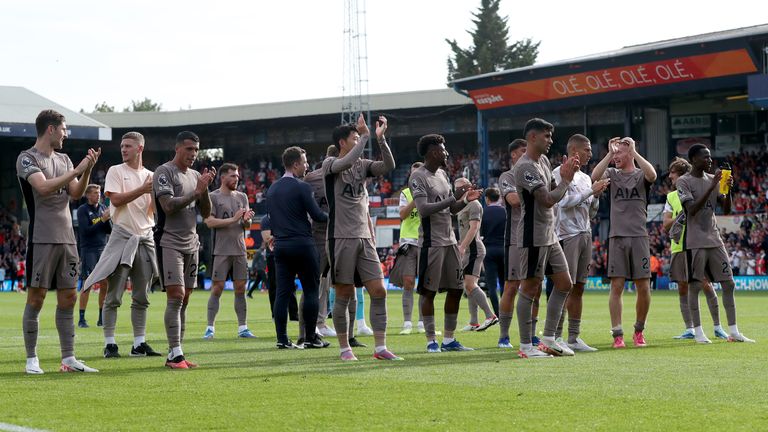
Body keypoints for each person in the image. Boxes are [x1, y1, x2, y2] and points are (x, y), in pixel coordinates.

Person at [17, 109, 101, 374]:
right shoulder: (27, 158)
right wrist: (77, 168)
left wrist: (86, 171)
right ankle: (32, 359)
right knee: (37, 297)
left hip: (68, 239)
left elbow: (75, 192)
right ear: (51, 129)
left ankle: (68, 358)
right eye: (64, 129)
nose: (66, 134)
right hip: (41, 238)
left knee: (69, 297)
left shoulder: (63, 159)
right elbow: (42, 188)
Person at [324, 114, 402, 361]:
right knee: (344, 293)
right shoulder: (329, 164)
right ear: (342, 142)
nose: (359, 140)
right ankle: (345, 348)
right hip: (340, 236)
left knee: (379, 290)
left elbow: (388, 165)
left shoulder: (363, 164)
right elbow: (347, 160)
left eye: (360, 137)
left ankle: (380, 348)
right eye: (355, 137)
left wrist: (380, 139)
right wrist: (366, 136)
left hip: (364, 236)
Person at [83, 131, 161, 358]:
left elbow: (153, 210)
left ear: (140, 148)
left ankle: (139, 344)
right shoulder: (116, 171)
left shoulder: (152, 176)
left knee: (142, 296)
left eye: (128, 146)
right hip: (122, 236)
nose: (123, 149)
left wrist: (154, 194)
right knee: (113, 295)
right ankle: (110, 344)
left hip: (145, 237)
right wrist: (143, 190)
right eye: (122, 146)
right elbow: (115, 200)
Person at [513, 118, 579, 359]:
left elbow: (554, 192)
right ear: (532, 137)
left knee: (565, 283)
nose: (551, 141)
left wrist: (562, 176)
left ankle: (549, 338)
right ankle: (525, 346)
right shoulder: (524, 167)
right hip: (533, 236)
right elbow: (548, 199)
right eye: (546, 136)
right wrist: (567, 180)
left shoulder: (542, 160)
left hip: (549, 234)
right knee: (530, 288)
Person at [411, 134, 482, 353]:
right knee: (429, 293)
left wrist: (464, 200)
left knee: (456, 289)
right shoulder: (418, 176)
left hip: (450, 241)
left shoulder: (443, 174)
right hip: (431, 243)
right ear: (433, 153)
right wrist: (454, 198)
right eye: (443, 150)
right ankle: (431, 340)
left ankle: (449, 340)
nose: (447, 153)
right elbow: (423, 209)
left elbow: (451, 209)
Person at [676, 144, 754, 343]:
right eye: (705, 157)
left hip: (714, 238)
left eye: (710, 157)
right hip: (695, 241)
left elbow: (725, 209)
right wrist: (712, 187)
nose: (710, 161)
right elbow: (691, 210)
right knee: (695, 287)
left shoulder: (713, 179)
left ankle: (734, 331)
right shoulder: (684, 182)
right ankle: (699, 332)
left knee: (729, 284)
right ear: (693, 159)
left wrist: (727, 190)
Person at [153, 131, 214, 369]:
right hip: (169, 240)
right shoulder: (164, 172)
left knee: (185, 298)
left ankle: (176, 352)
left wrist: (205, 188)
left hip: (192, 242)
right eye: (189, 149)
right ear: (178, 149)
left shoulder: (197, 176)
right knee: (176, 295)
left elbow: (207, 213)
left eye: (196, 150)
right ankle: (175, 354)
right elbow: (168, 206)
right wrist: (195, 192)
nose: (193, 154)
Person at [592, 136, 656, 348]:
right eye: (615, 152)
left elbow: (652, 175)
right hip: (617, 236)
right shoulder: (612, 174)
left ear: (629, 154)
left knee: (644, 287)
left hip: (639, 236)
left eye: (620, 152)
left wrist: (634, 151)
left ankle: (639, 330)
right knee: (616, 286)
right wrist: (609, 154)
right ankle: (617, 334)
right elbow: (594, 176)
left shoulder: (640, 175)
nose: (616, 156)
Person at [267, 146, 329, 350]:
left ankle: (282, 339)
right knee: (311, 290)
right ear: (295, 165)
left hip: (281, 246)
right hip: (303, 244)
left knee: (283, 293)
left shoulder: (272, 189)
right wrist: (336, 217)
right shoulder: (302, 187)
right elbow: (318, 216)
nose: (307, 166)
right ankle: (311, 337)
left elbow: (271, 219)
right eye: (304, 162)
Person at [552, 134, 609, 352]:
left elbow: (590, 212)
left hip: (585, 233)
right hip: (566, 236)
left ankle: (573, 337)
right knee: (563, 287)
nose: (590, 154)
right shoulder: (558, 173)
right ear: (574, 150)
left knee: (579, 287)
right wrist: (590, 192)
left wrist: (594, 197)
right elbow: (562, 202)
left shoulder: (585, 178)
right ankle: (555, 336)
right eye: (587, 150)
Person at [662, 157, 727, 340]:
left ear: (682, 175)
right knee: (683, 287)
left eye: (673, 173)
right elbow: (666, 224)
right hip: (678, 247)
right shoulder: (671, 197)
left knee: (705, 283)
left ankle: (717, 326)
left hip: (698, 244)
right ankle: (690, 329)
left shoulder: (699, 190)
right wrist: (682, 216)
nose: (670, 176)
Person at [202, 163, 256, 339]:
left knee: (240, 289)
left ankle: (243, 328)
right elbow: (209, 222)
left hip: (240, 249)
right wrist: (233, 219)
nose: (236, 179)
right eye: (233, 175)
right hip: (221, 250)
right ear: (223, 177)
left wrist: (247, 220)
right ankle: (210, 328)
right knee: (217, 288)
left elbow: (245, 225)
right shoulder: (213, 197)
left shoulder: (242, 197)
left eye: (238, 176)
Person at [301, 145, 340, 339]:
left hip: (340, 234)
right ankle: (309, 325)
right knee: (315, 282)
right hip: (319, 234)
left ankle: (321, 321)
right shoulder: (312, 178)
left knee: (329, 282)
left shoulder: (348, 173)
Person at [455, 177, 498, 332]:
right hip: (468, 249)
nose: (457, 190)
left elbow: (474, 228)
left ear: (467, 188)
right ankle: (474, 321)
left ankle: (490, 315)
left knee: (469, 284)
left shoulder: (474, 204)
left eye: (460, 187)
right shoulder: (463, 205)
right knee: (468, 285)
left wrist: (462, 247)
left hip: (473, 249)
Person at [496, 139, 527, 349]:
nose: (527, 154)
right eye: (523, 151)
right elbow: (514, 200)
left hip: (536, 236)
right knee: (511, 286)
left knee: (532, 287)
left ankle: (531, 335)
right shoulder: (507, 176)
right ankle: (504, 335)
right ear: (513, 155)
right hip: (515, 237)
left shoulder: (536, 172)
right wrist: (535, 190)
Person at [389, 162, 425, 335]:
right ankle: (408, 323)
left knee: (425, 284)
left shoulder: (431, 191)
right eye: (412, 174)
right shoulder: (405, 193)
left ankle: (422, 322)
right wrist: (416, 199)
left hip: (426, 241)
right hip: (409, 242)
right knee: (408, 282)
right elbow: (402, 215)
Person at [76, 184, 111, 328]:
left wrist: (108, 219)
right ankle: (82, 318)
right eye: (96, 193)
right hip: (88, 250)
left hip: (103, 248)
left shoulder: (103, 208)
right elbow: (86, 231)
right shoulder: (82, 210)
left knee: (105, 283)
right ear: (88, 195)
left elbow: (108, 230)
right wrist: (102, 220)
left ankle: (101, 317)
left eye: (100, 193)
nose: (99, 195)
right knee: (87, 283)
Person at [260, 213, 299, 320]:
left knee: (290, 285)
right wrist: (286, 234)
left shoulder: (285, 215)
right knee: (274, 286)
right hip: (273, 256)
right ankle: (275, 314)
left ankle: (294, 314)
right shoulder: (266, 219)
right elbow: (267, 238)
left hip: (288, 253)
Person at [480, 187, 504, 318]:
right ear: (499, 197)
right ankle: (507, 312)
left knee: (492, 285)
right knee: (505, 283)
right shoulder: (505, 212)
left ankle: (498, 314)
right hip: (504, 249)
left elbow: (481, 234)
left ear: (487, 199)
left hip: (489, 250)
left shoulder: (483, 212)